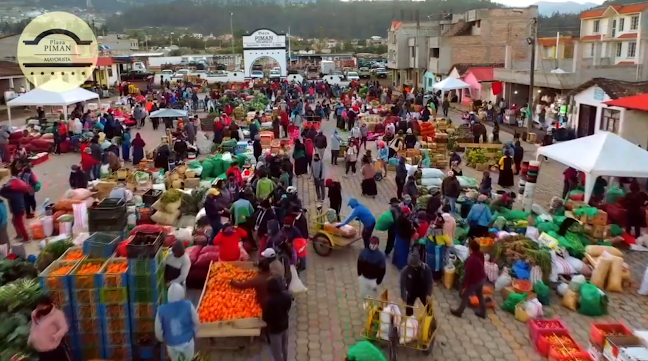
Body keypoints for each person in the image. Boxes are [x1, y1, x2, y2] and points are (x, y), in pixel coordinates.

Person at [155, 283, 200, 361]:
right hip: (187, 342)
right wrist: (193, 333)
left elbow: (158, 330)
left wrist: (162, 339)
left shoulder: (161, 310)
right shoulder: (188, 305)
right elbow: (196, 322)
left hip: (171, 345)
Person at [28, 295, 71, 361]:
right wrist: (31, 337)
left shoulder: (57, 314)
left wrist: (56, 336)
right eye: (39, 306)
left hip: (54, 349)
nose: (40, 308)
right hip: (42, 350)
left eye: (43, 306)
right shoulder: (35, 314)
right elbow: (34, 326)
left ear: (49, 305)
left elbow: (64, 327)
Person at [451, 240, 487, 318]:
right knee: (480, 295)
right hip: (482, 278)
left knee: (465, 295)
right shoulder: (480, 254)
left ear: (470, 249)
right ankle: (483, 312)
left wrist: (464, 286)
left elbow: (467, 275)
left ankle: (459, 312)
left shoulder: (471, 259)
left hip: (475, 280)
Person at [263, 277, 292, 361]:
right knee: (284, 346)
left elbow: (265, 317)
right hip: (285, 324)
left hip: (274, 330)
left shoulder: (269, 302)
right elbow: (288, 308)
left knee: (276, 352)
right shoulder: (287, 296)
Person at [399, 251, 433, 316]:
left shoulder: (426, 268)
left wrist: (429, 294)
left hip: (423, 292)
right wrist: (403, 297)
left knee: (429, 309)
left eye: (414, 265)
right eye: (411, 265)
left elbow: (430, 282)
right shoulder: (405, 270)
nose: (413, 266)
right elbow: (402, 285)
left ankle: (432, 322)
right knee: (408, 308)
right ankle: (409, 321)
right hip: (412, 292)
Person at [0, 175, 31, 241]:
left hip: (17, 210)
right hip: (20, 209)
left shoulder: (12, 194)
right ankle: (19, 235)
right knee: (15, 222)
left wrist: (5, 186)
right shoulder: (18, 191)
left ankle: (26, 237)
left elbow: (1, 192)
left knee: (19, 224)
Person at [357, 236, 386, 302]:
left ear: (377, 244)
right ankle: (365, 304)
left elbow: (382, 270)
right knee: (363, 294)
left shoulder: (380, 256)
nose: (373, 245)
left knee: (372, 297)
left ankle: (371, 305)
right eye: (372, 243)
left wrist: (378, 281)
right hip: (364, 278)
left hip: (374, 280)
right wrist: (359, 274)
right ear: (369, 243)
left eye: (374, 244)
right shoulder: (363, 253)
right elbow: (359, 264)